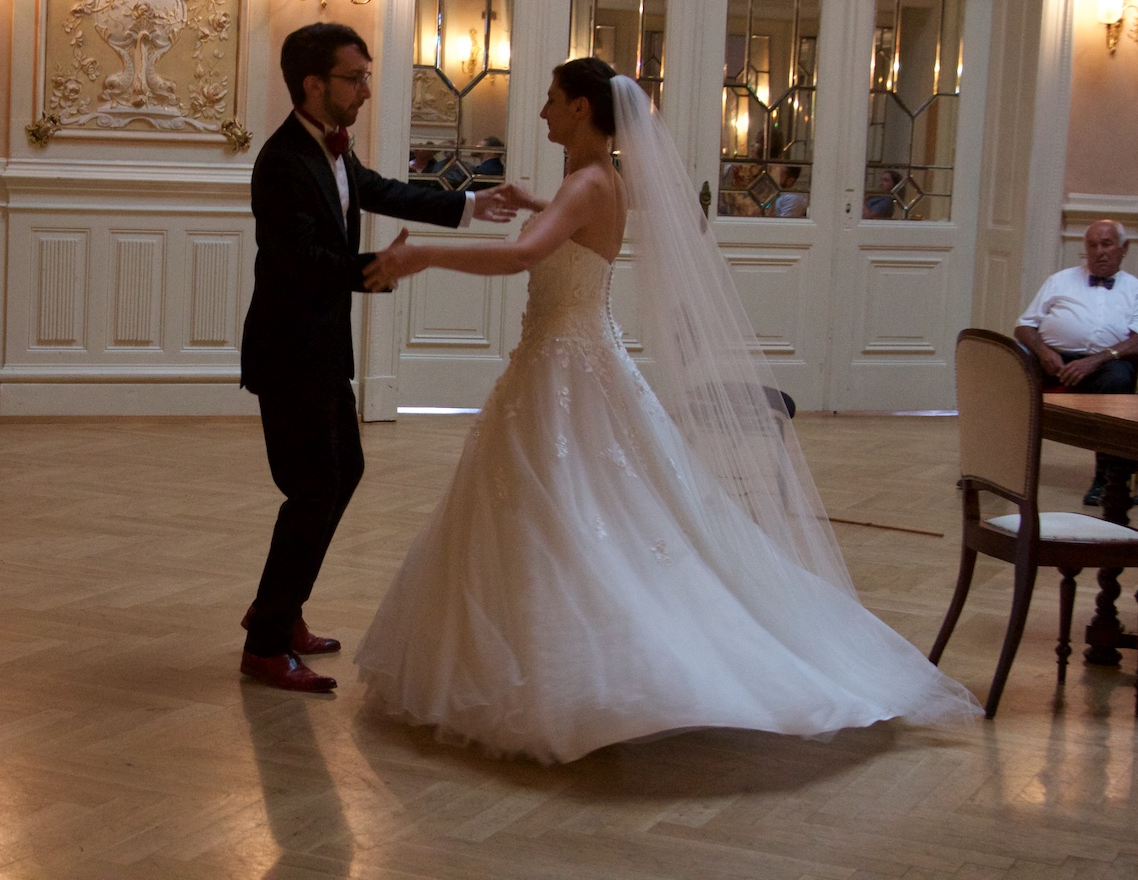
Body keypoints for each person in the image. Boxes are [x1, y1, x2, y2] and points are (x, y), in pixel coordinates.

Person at [354, 58, 978, 762]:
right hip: (574, 357)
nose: (543, 112)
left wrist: (423, 256)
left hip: (564, 366)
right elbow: (566, 231)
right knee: (576, 506)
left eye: (552, 99)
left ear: (582, 108)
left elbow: (525, 257)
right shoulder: (600, 182)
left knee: (562, 507)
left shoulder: (588, 184)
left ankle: (576, 671)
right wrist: (533, 203)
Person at [238, 22, 527, 693]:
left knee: (344, 471)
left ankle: (279, 608)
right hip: (289, 352)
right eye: (355, 78)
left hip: (319, 348)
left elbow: (384, 190)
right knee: (314, 488)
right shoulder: (282, 162)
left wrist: (470, 204)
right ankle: (265, 643)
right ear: (314, 84)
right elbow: (301, 261)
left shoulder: (329, 149)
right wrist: (382, 267)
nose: (366, 91)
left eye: (365, 77)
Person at [1014, 219, 1138, 506]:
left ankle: (1107, 479)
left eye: (1107, 244)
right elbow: (1024, 326)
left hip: (1107, 363)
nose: (1099, 251)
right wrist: (1043, 352)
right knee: (1004, 373)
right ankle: (992, 467)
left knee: (1117, 379)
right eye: (1092, 245)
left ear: (1123, 248)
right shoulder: (1060, 280)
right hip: (1052, 360)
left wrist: (1094, 361)